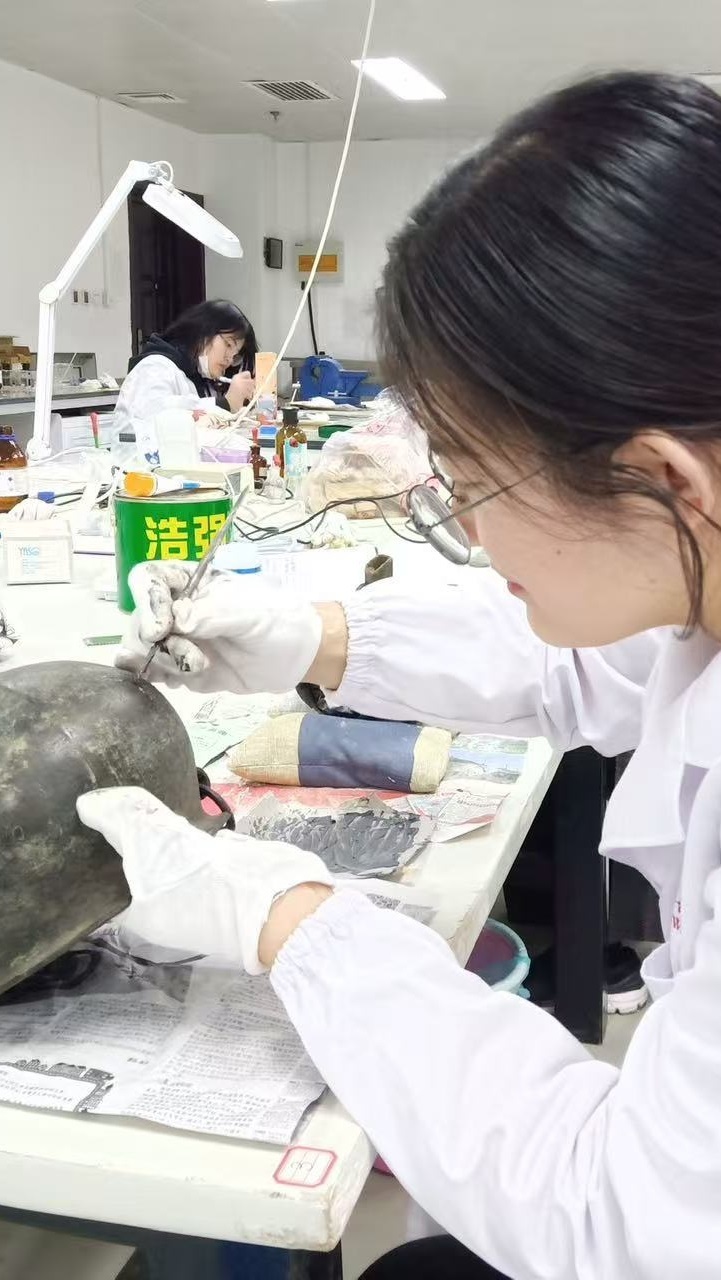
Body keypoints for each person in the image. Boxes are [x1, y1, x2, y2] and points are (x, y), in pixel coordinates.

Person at [77, 72, 721, 1278]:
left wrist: (288, 918)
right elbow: (580, 660)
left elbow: (625, 1222)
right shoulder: (699, 576)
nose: (467, 528)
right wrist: (307, 634)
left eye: (473, 482)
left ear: (661, 481)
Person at [112, 298, 257, 435]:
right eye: (228, 345)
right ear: (204, 331)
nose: (229, 359)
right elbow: (159, 425)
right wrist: (225, 404)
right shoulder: (155, 368)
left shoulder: (193, 377)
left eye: (235, 355)